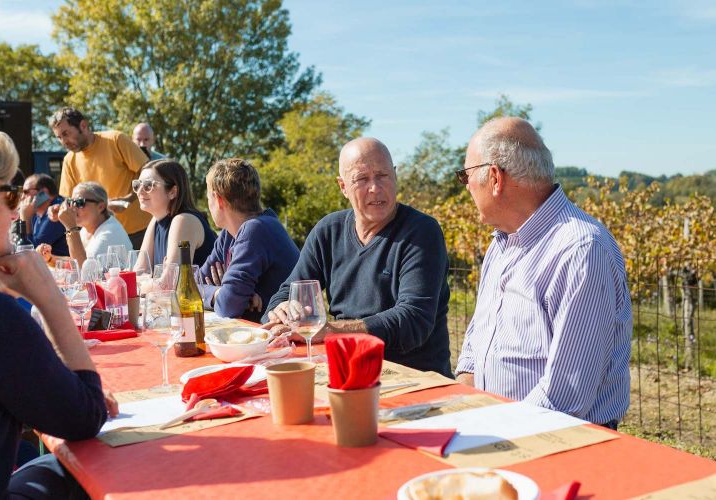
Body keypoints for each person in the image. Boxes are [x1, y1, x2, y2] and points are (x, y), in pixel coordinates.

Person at [454, 117, 632, 428]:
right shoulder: (501, 244)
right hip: (493, 428)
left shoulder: (580, 250)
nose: (466, 185)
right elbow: (473, 349)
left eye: (466, 175)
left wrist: (489, 431)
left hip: (559, 443)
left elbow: (565, 397)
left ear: (494, 177)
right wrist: (466, 415)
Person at [0, 128, 114, 498]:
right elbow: (85, 416)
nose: (17, 210)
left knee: (41, 462)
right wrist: (49, 299)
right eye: (10, 195)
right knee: (85, 469)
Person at [262, 137, 452, 377]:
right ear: (343, 187)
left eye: (382, 175)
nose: (375, 187)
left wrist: (330, 331)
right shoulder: (329, 231)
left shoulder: (422, 232)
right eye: (362, 179)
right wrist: (282, 309)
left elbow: (413, 321)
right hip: (346, 369)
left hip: (411, 378)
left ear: (395, 176)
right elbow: (286, 292)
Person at [197, 158, 299, 323]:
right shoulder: (228, 234)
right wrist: (218, 292)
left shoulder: (257, 229)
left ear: (218, 200)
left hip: (284, 340)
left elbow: (228, 305)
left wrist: (228, 295)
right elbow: (189, 288)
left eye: (208, 197)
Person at [50, 107, 150, 249]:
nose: (63, 141)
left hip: (140, 231)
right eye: (59, 137)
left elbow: (149, 173)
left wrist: (130, 198)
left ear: (83, 125)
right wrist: (59, 209)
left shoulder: (116, 140)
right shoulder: (69, 160)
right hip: (101, 236)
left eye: (66, 134)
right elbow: (70, 201)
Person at [135, 159, 216, 268]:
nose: (140, 191)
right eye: (137, 185)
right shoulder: (156, 220)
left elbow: (171, 281)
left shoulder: (184, 220)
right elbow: (139, 270)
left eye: (148, 185)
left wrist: (147, 280)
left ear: (173, 192)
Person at [38, 182, 133, 268]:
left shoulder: (110, 232)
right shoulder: (86, 229)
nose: (73, 207)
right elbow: (75, 262)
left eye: (79, 203)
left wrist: (70, 228)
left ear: (101, 206)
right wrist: (50, 258)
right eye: (71, 202)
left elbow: (83, 270)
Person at [18, 173, 70, 257]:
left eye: (26, 192)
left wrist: (25, 218)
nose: (22, 197)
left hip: (61, 267)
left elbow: (32, 252)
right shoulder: (35, 212)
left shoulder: (57, 211)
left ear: (43, 192)